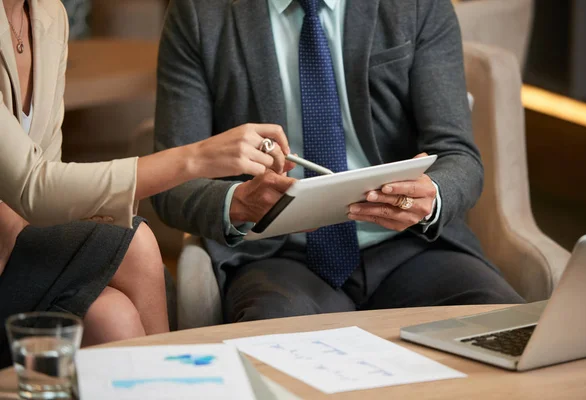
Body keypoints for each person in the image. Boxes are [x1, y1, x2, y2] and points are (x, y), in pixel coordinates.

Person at [153, 0, 525, 323]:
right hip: (276, 255)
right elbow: (171, 185)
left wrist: (431, 194)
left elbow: (458, 155)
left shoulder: (415, 4)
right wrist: (238, 202)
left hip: (409, 247)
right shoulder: (200, 13)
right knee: (276, 343)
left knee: (507, 326)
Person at [0, 0, 290, 367]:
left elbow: (48, 186)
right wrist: (197, 157)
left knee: (113, 317)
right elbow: (34, 188)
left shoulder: (47, 14)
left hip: (19, 246)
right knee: (135, 242)